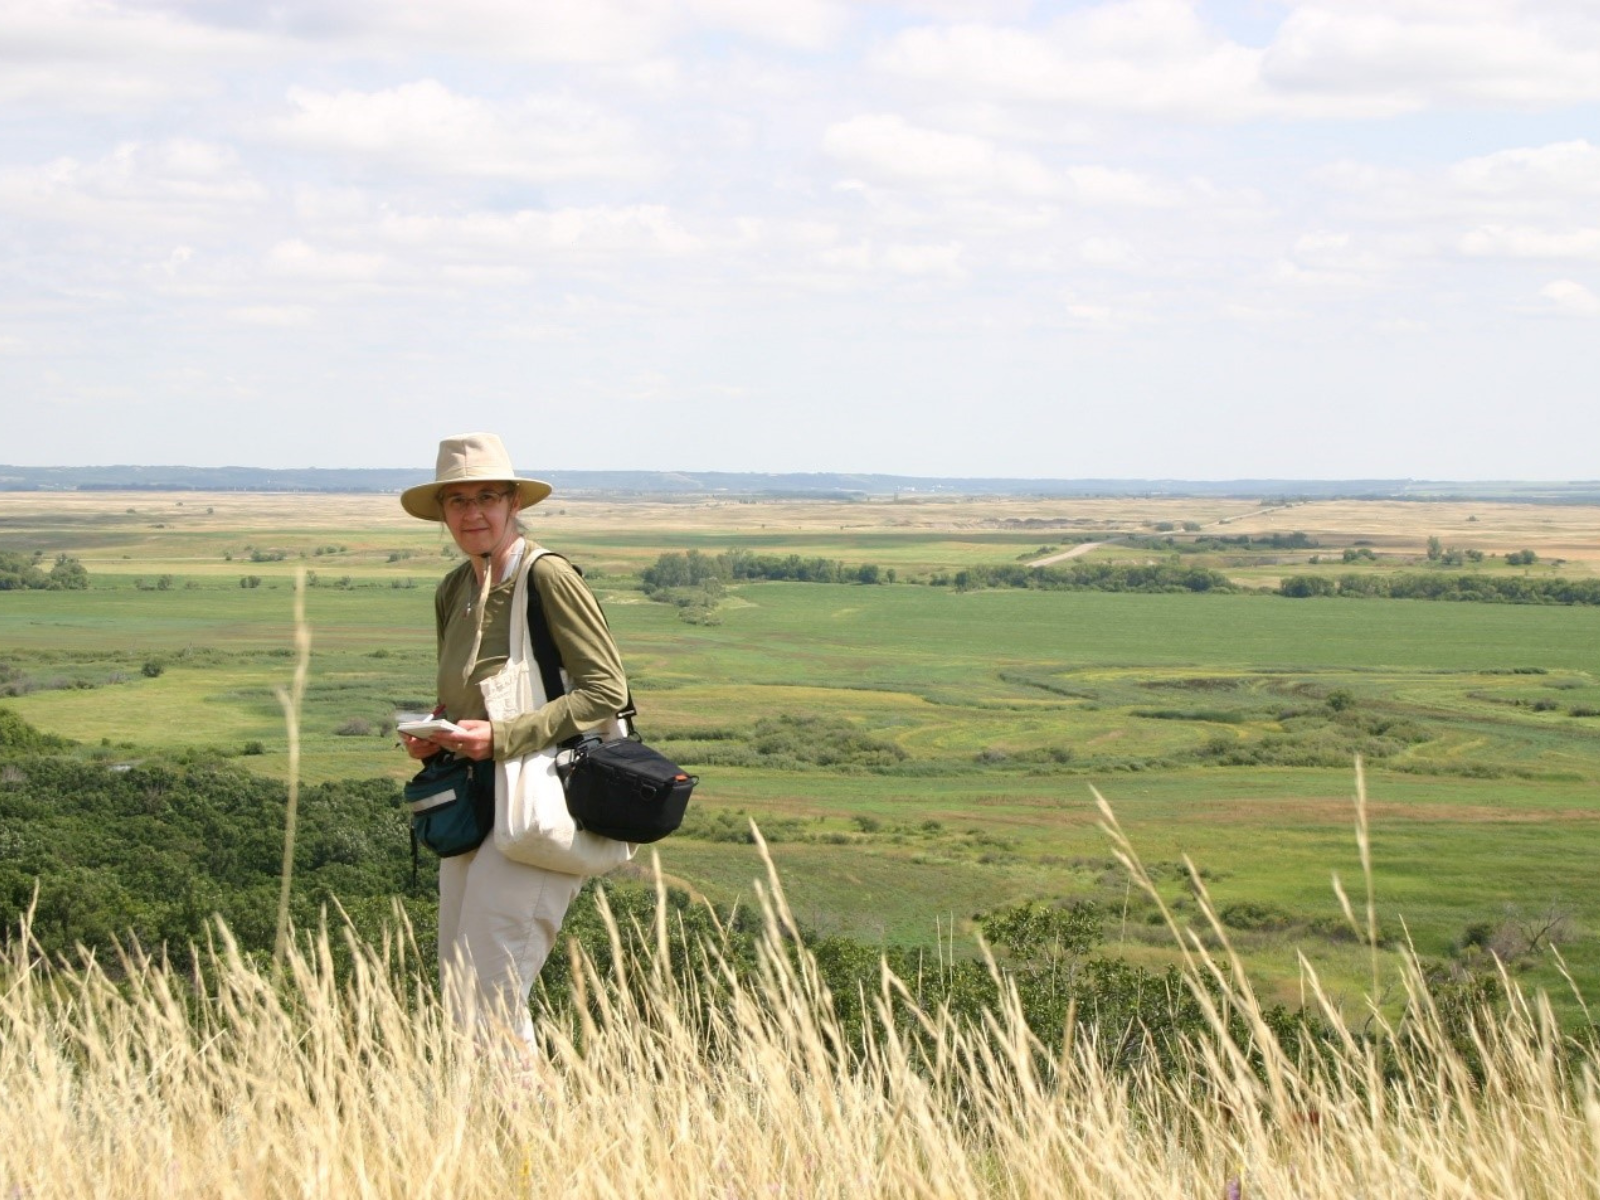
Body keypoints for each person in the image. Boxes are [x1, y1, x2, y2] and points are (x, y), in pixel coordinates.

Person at [398, 431, 629, 1048]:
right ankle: (494, 1131)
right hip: (471, 804)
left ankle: (527, 1135)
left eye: (487, 497)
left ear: (512, 504)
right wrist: (438, 734)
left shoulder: (547, 576)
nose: (473, 512)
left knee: (490, 986)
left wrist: (502, 736)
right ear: (443, 511)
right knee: (461, 983)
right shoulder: (454, 588)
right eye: (457, 500)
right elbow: (465, 697)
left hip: (539, 802)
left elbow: (606, 691)